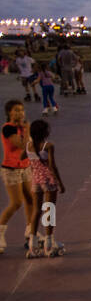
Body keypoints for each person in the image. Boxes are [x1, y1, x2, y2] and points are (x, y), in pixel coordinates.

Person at [0, 100, 37, 256]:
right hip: (11, 169)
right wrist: (28, 130)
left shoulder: (22, 128)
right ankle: (0, 231)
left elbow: (31, 147)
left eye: (22, 110)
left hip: (25, 167)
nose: (20, 113)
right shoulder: (8, 128)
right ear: (9, 112)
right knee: (16, 203)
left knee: (30, 199)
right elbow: (21, 145)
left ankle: (29, 231)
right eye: (16, 110)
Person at [25, 119, 65, 256]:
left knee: (36, 210)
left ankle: (33, 242)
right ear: (45, 133)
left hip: (35, 180)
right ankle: (49, 242)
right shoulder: (48, 146)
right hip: (48, 180)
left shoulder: (28, 146)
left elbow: (22, 157)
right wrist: (60, 183)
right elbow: (52, 166)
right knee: (49, 209)